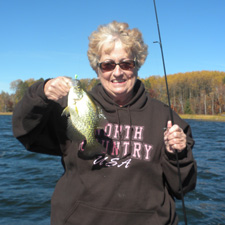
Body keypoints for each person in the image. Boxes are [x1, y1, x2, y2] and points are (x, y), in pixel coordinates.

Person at [12, 21, 197, 225]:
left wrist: (177, 153)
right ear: (97, 69)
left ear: (137, 65)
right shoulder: (74, 107)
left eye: (126, 63)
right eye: (108, 65)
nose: (117, 73)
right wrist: (41, 93)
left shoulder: (165, 117)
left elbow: (183, 187)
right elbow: (24, 132)